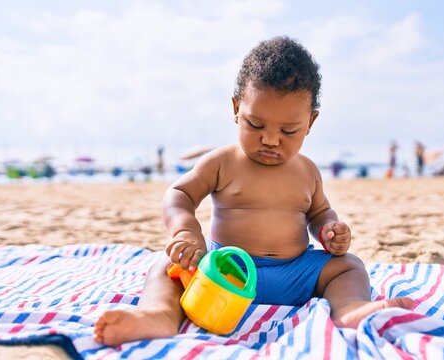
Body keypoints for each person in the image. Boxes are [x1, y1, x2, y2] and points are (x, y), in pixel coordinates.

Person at [93, 36, 412, 346]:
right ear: (236, 108)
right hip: (223, 273)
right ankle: (159, 315)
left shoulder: (307, 171)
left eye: (289, 130)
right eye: (256, 125)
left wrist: (329, 229)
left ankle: (350, 310)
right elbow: (180, 194)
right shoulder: (222, 162)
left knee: (348, 266)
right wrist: (186, 231)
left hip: (294, 274)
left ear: (310, 123)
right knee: (168, 266)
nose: (271, 140)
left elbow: (318, 212)